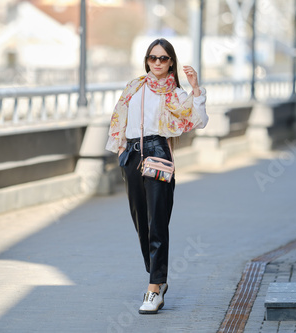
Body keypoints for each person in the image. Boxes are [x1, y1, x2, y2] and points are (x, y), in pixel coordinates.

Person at [105, 38, 209, 314]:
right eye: (153, 58)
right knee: (141, 221)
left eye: (163, 58)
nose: (158, 63)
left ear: (171, 61)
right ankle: (158, 276)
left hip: (157, 152)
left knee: (157, 221)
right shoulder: (135, 86)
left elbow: (197, 120)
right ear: (147, 60)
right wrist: (122, 151)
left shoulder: (173, 93)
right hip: (132, 154)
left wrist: (195, 88)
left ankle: (154, 287)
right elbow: (119, 118)